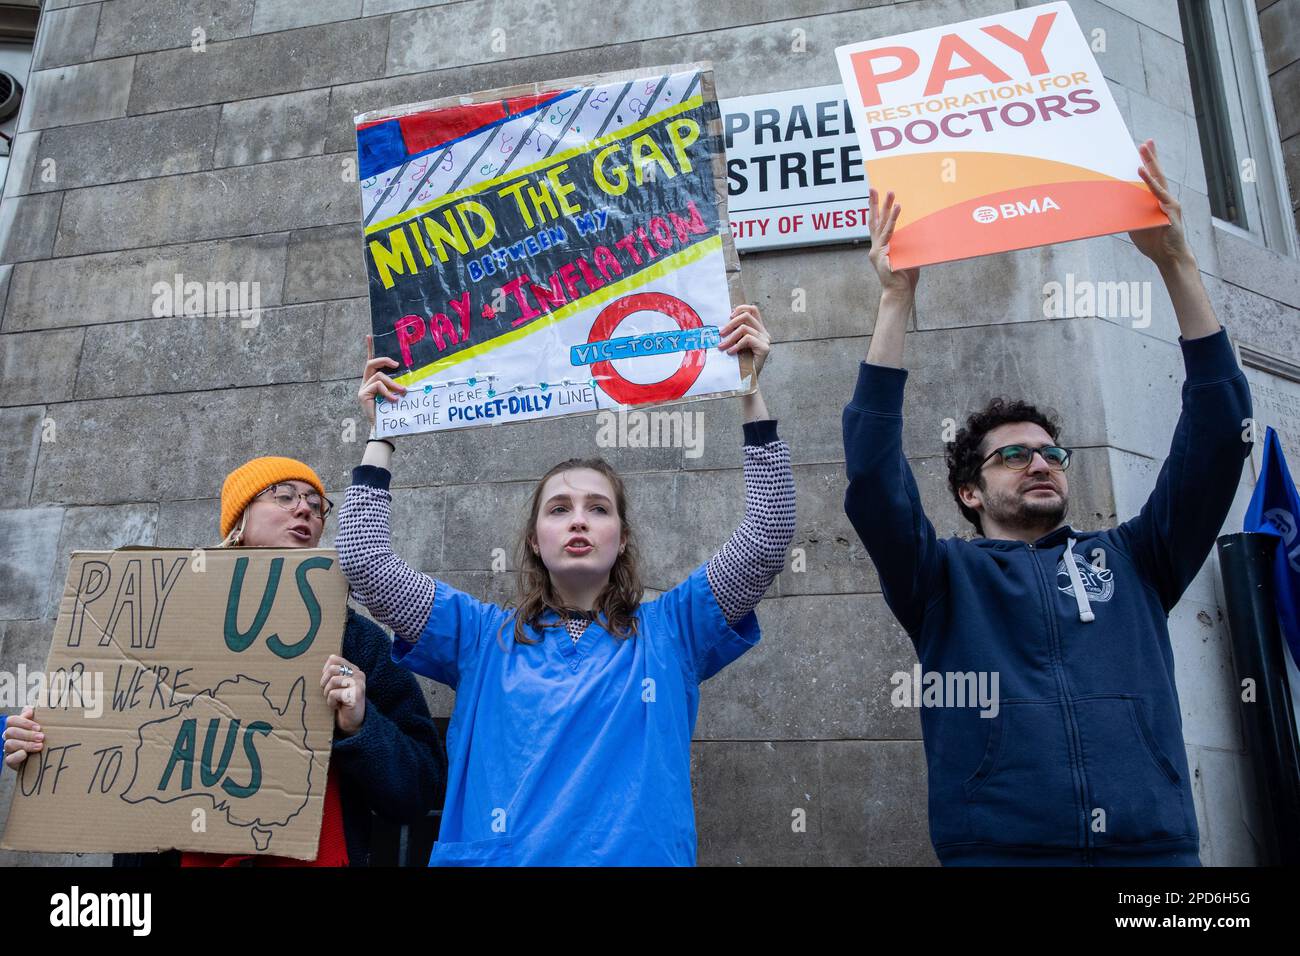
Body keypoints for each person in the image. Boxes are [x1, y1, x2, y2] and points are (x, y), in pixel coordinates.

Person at [842, 140, 1252, 865]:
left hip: (1152, 854)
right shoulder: (940, 582)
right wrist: (895, 299)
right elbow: (874, 478)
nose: (1040, 462)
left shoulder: (1136, 559)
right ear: (970, 492)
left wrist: (1175, 263)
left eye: (1052, 453)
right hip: (1001, 853)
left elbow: (1221, 435)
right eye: (1014, 454)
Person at [337, 304, 795, 865]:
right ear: (534, 539)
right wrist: (385, 430)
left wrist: (749, 387)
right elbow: (363, 559)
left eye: (597, 509)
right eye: (559, 509)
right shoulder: (479, 638)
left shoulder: (675, 632)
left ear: (621, 538)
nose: (578, 520)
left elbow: (769, 531)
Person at [2, 456, 447, 867]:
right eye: (285, 496)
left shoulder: (355, 641)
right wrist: (41, 744)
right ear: (239, 522)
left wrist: (361, 725)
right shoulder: (160, 619)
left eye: (316, 503)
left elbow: (417, 791)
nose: (306, 510)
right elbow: (102, 738)